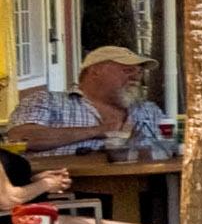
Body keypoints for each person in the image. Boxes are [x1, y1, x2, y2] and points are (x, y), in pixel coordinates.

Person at [12, 43, 173, 162]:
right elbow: (19, 138)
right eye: (127, 70)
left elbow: (170, 150)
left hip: (145, 193)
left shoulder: (149, 111)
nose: (137, 77)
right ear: (95, 71)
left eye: (139, 72)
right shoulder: (49, 101)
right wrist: (99, 131)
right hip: (67, 196)